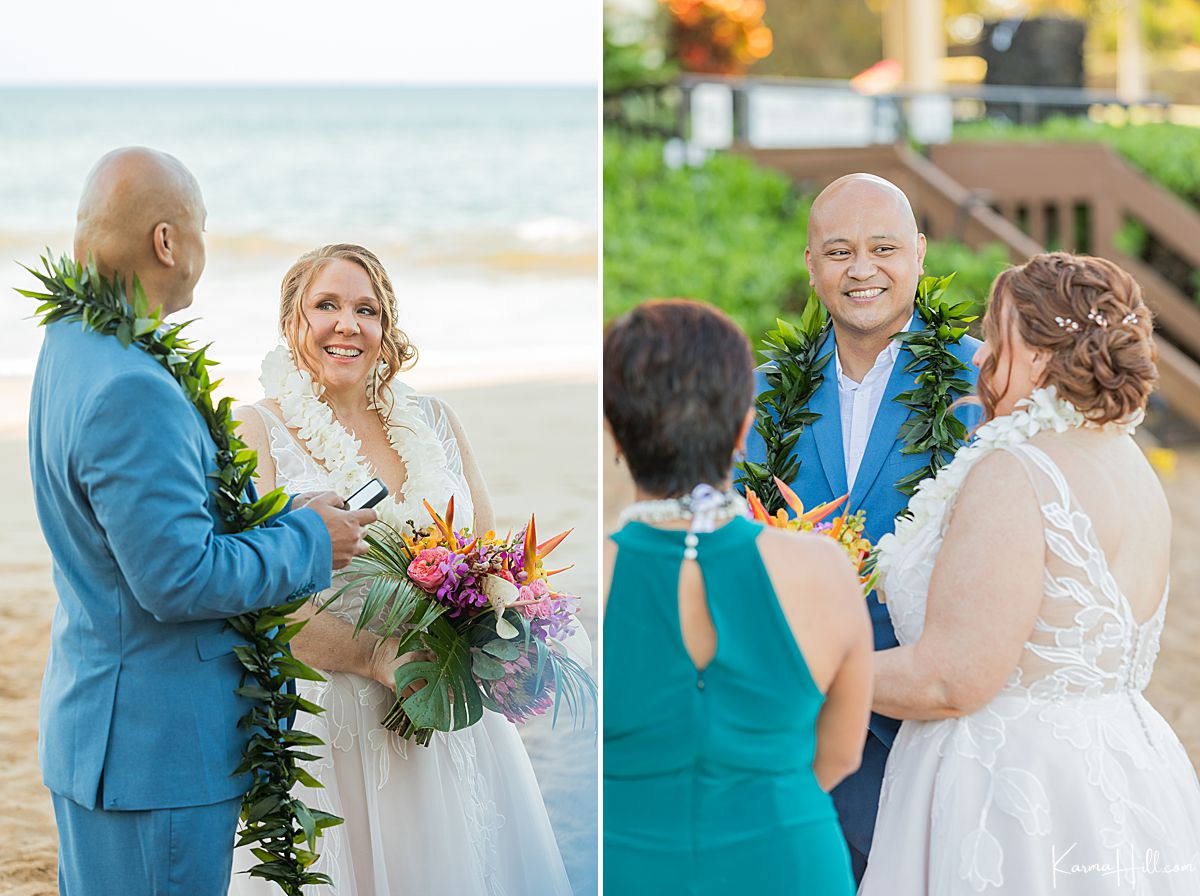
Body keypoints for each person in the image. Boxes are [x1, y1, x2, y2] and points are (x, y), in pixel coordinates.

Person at [29, 148, 376, 896]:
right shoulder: (132, 385)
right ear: (167, 242)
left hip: (97, 726)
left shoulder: (71, 346)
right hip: (155, 756)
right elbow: (176, 579)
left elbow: (132, 528)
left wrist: (279, 517)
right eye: (202, 230)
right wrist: (313, 540)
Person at [228, 243, 571, 896]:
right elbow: (249, 592)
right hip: (330, 717)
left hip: (448, 709)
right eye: (325, 305)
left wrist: (495, 633)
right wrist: (376, 657)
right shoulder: (257, 431)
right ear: (291, 322)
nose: (347, 324)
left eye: (367, 309)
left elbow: (492, 560)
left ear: (387, 327)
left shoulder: (437, 421)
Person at [861, 253, 1200, 894]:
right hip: (1121, 772)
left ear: (1041, 356)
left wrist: (800, 661)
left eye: (999, 335)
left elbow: (950, 679)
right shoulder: (1128, 463)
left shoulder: (1018, 471)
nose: (983, 354)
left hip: (1007, 789)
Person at [743, 173, 982, 881]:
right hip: (795, 735)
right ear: (811, 265)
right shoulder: (759, 395)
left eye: (883, 247)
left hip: (932, 726)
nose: (862, 269)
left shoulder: (981, 382)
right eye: (840, 251)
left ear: (919, 252)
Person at [603, 299, 872, 896]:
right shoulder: (824, 570)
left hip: (629, 867)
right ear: (744, 428)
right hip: (792, 862)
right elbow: (839, 757)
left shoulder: (590, 585)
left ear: (615, 430)